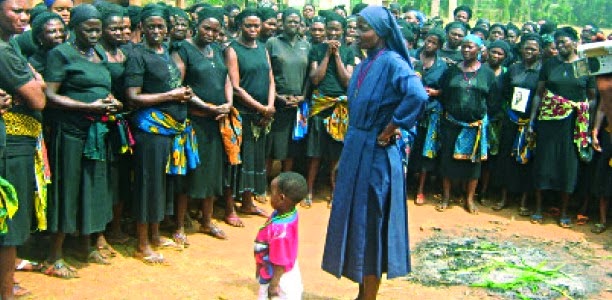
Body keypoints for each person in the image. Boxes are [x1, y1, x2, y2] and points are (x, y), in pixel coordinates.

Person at [322, 6, 427, 300]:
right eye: (355, 26)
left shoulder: (393, 62)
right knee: (358, 221)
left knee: (372, 223)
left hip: (377, 157)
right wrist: (344, 158)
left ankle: (369, 297)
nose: (356, 33)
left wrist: (393, 126)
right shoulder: (365, 63)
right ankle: (361, 293)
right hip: (356, 149)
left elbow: (417, 94)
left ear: (381, 33)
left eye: (363, 28)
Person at [125, 4, 196, 263]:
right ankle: (142, 244)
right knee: (148, 185)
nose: (157, 30)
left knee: (162, 184)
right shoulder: (137, 55)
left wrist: (182, 94)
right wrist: (171, 95)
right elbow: (132, 96)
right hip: (151, 129)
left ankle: (155, 235)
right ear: (141, 28)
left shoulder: (166, 51)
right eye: (151, 26)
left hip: (172, 129)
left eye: (161, 26)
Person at [172, 6, 236, 238]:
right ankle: (179, 225)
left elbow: (227, 78)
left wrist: (228, 103)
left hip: (216, 123)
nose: (210, 33)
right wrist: (207, 106)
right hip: (194, 122)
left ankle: (207, 221)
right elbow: (180, 87)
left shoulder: (217, 50)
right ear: (196, 25)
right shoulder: (183, 50)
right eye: (206, 28)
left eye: (215, 30)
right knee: (189, 173)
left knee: (212, 174)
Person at [528, 27, 596, 228]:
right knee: (543, 163)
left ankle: (564, 211)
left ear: (575, 42)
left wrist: (581, 112)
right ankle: (539, 209)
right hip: (549, 122)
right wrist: (533, 120)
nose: (560, 46)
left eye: (564, 42)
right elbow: (540, 94)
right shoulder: (550, 65)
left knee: (568, 167)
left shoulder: (584, 66)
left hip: (572, 125)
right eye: (557, 43)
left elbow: (591, 98)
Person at [0, 0, 45, 296]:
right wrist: (35, 82)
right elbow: (39, 98)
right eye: (16, 11)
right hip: (10, 145)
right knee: (9, 216)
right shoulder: (4, 52)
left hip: (18, 140)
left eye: (27, 11)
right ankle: (6, 289)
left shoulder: (11, 45)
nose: (24, 17)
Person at [435, 34, 496, 214]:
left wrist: (480, 116)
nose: (466, 50)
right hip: (452, 122)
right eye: (464, 47)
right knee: (447, 161)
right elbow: (444, 93)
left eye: (470, 47)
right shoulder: (451, 71)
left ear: (479, 49)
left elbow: (493, 100)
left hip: (474, 126)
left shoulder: (487, 73)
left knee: (473, 165)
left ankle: (469, 199)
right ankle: (446, 197)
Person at [225, 8, 275, 217]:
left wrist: (270, 106)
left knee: (254, 158)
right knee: (236, 162)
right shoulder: (232, 50)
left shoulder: (263, 48)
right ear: (240, 26)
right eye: (248, 25)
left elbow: (271, 78)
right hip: (243, 114)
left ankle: (248, 203)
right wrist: (261, 107)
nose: (253, 29)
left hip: (262, 116)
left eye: (256, 25)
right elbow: (236, 86)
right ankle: (229, 210)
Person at [305, 12, 354, 207]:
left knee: (336, 155)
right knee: (314, 154)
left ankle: (335, 193)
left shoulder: (350, 52)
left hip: (339, 108)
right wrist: (327, 54)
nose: (333, 33)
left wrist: (338, 57)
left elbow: (348, 81)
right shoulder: (316, 50)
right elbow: (315, 78)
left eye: (337, 29)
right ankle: (309, 190)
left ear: (342, 31)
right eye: (330, 29)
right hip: (320, 106)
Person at [494, 33, 542, 215]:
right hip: (512, 118)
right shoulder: (513, 69)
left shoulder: (541, 71)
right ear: (521, 49)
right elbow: (505, 92)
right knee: (506, 157)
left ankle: (523, 201)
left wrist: (532, 120)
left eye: (533, 49)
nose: (529, 51)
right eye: (526, 48)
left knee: (526, 160)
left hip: (531, 122)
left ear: (539, 51)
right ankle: (504, 198)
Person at [265, 8, 310, 177]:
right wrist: (277, 97)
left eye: (296, 22)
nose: (293, 25)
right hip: (277, 102)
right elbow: (267, 72)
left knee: (292, 145)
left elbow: (308, 77)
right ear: (282, 23)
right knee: (272, 145)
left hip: (297, 104)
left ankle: (285, 182)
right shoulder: (272, 43)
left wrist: (303, 96)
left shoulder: (306, 45)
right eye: (289, 21)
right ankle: (263, 186)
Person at [254, 172, 307, 300]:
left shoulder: (280, 232)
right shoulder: (287, 212)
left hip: (278, 277)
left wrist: (273, 285)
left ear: (282, 198)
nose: (269, 195)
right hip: (286, 269)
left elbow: (279, 262)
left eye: (272, 193)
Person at [410, 27, 447, 205]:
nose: (429, 45)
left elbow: (445, 90)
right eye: (428, 41)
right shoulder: (412, 57)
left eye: (434, 43)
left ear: (439, 46)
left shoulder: (442, 66)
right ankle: (404, 184)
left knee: (426, 150)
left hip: (430, 112)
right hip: (410, 111)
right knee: (408, 148)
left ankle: (421, 189)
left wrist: (435, 92)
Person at [479, 39, 510, 207]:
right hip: (478, 118)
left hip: (497, 121)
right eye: (494, 52)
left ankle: (484, 191)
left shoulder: (507, 73)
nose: (496, 56)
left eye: (500, 53)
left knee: (491, 159)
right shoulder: (479, 69)